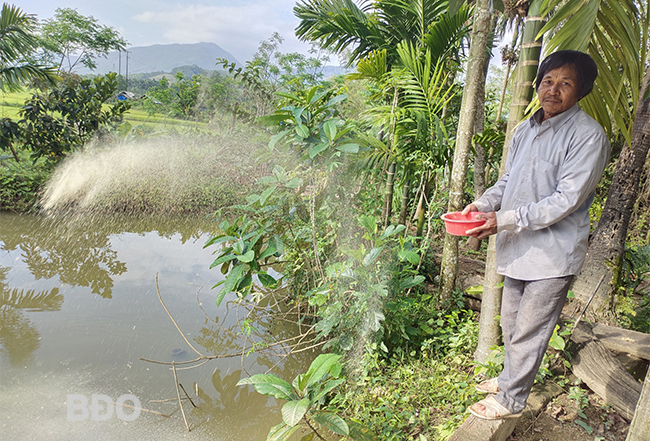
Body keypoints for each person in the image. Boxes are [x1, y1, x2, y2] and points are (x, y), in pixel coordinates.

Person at [462, 50, 611, 420]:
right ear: (538, 84)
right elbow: (509, 181)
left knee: (531, 329)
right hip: (519, 246)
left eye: (566, 83)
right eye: (548, 81)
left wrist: (504, 219)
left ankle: (511, 401)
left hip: (553, 253)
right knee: (511, 323)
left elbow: (566, 199)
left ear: (581, 91)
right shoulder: (525, 130)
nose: (554, 90)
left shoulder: (587, 136)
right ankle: (509, 377)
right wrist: (481, 206)